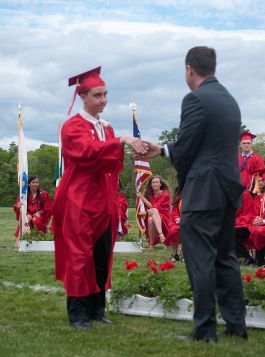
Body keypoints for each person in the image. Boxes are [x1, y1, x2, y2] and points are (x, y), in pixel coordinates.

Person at [140, 46, 247, 341]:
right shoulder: (229, 100)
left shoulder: (195, 99)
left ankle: (204, 329)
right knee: (225, 257)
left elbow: (186, 147)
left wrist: (161, 150)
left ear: (189, 69)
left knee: (199, 258)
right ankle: (236, 327)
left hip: (204, 191)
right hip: (227, 190)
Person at [54, 66, 147, 330]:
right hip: (79, 199)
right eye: (97, 95)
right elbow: (85, 153)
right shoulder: (72, 126)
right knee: (79, 255)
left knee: (101, 254)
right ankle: (78, 313)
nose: (103, 100)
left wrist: (122, 143)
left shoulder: (106, 128)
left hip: (104, 200)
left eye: (105, 94)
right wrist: (120, 142)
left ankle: (97, 309)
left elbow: (109, 163)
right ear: (83, 96)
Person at [236, 172, 265, 267]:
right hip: (248, 224)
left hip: (259, 226)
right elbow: (242, 212)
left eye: (263, 181)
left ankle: (259, 261)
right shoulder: (250, 196)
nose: (260, 183)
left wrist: (263, 221)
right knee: (231, 232)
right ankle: (247, 258)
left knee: (259, 232)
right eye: (258, 181)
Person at [13, 175, 53, 242]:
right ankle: (20, 239)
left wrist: (40, 212)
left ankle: (40, 238)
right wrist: (18, 206)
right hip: (27, 213)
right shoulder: (24, 194)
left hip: (40, 215)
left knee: (35, 219)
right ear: (29, 184)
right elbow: (17, 205)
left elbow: (48, 208)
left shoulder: (44, 194)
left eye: (37, 182)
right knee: (27, 218)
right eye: (33, 182)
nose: (36, 184)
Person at [137, 175, 171, 250]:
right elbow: (146, 207)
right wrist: (147, 209)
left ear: (160, 184)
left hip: (165, 216)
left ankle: (155, 240)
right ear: (151, 184)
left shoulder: (165, 194)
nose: (155, 184)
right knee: (150, 219)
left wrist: (142, 197)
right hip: (153, 216)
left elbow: (155, 207)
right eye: (153, 182)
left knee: (153, 212)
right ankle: (154, 241)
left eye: (157, 182)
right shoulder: (149, 194)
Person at [164, 189, 182, 262]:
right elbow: (175, 210)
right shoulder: (178, 195)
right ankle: (175, 255)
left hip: (191, 220)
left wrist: (184, 219)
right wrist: (178, 218)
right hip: (177, 220)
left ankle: (186, 254)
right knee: (173, 231)